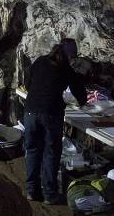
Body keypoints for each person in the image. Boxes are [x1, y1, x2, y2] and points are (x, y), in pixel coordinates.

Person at [22, 38, 86, 204]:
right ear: (70, 56)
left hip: (30, 111)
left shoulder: (41, 61)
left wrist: (35, 91)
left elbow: (27, 79)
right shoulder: (66, 69)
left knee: (33, 150)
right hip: (50, 114)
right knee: (50, 153)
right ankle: (50, 195)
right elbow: (81, 96)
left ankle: (32, 191)